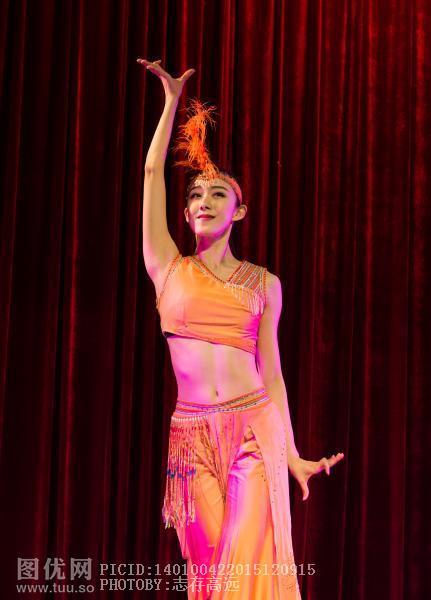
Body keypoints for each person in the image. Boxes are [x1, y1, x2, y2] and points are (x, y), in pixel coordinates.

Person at [137, 57, 344, 600]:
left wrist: (292, 453)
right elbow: (153, 174)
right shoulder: (167, 267)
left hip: (254, 428)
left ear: (240, 212)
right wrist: (170, 104)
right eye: (195, 196)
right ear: (186, 215)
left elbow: (271, 373)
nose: (203, 201)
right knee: (209, 576)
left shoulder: (264, 284)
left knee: (243, 566)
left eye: (217, 194)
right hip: (191, 438)